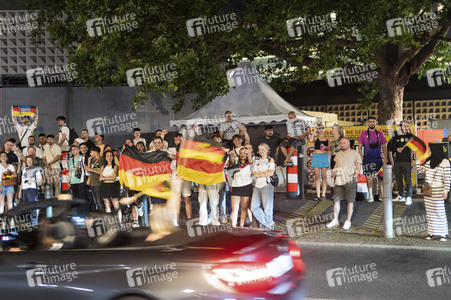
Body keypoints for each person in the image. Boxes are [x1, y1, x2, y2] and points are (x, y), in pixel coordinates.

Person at [415, 144, 450, 242]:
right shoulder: (428, 162)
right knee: (430, 212)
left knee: (439, 211)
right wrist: (417, 161)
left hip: (439, 190)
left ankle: (443, 233)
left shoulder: (445, 162)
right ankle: (431, 232)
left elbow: (447, 177)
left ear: (435, 150)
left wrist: (445, 191)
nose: (428, 152)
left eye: (429, 150)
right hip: (428, 190)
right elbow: (421, 171)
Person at [327, 138, 362, 230]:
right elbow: (336, 166)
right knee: (336, 201)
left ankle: (348, 221)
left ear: (348, 143)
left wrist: (354, 176)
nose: (342, 145)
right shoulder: (338, 154)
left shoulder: (355, 153)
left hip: (350, 180)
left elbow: (358, 166)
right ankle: (335, 220)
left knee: (350, 201)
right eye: (341, 143)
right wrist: (332, 178)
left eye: (344, 143)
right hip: (339, 180)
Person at [358, 116, 387, 202]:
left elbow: (384, 145)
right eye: (370, 122)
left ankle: (382, 195)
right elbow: (359, 147)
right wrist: (361, 156)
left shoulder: (380, 133)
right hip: (368, 159)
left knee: (380, 178)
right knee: (369, 178)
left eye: (373, 121)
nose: (371, 123)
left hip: (378, 159)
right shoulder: (363, 134)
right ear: (367, 123)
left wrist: (385, 157)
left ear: (376, 122)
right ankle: (370, 195)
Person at [389, 121, 415, 205]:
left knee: (408, 180)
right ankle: (401, 196)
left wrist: (414, 159)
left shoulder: (410, 137)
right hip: (397, 162)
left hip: (407, 162)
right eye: (404, 126)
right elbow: (391, 149)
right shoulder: (395, 137)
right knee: (398, 180)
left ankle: (409, 197)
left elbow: (415, 149)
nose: (406, 128)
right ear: (400, 127)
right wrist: (396, 150)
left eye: (407, 126)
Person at [251, 143, 275, 230]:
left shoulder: (270, 160)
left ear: (267, 150)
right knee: (254, 207)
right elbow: (254, 173)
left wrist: (260, 174)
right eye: (259, 149)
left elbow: (270, 173)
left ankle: (268, 227)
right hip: (257, 186)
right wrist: (264, 173)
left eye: (263, 149)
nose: (261, 151)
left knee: (267, 208)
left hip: (266, 185)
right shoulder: (256, 161)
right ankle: (269, 224)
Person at [229, 147, 253, 227]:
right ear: (238, 154)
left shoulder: (250, 162)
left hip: (246, 186)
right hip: (236, 186)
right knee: (234, 209)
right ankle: (233, 226)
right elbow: (232, 162)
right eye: (241, 153)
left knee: (244, 208)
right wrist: (232, 155)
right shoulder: (236, 162)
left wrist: (249, 153)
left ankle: (241, 226)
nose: (242, 154)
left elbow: (250, 161)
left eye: (244, 153)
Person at [309, 124, 330, 201]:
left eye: (322, 128)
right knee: (317, 177)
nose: (321, 129)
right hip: (316, 156)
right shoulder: (315, 137)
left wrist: (326, 147)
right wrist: (314, 131)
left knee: (324, 176)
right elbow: (310, 140)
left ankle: (323, 194)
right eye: (319, 128)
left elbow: (330, 147)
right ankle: (317, 194)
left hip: (324, 156)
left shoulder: (327, 137)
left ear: (324, 129)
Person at [100, 150, 121, 221]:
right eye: (107, 156)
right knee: (107, 205)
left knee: (116, 205)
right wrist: (106, 178)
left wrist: (104, 178)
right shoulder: (103, 167)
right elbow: (100, 178)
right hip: (105, 186)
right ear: (105, 157)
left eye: (111, 155)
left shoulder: (115, 166)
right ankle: (108, 222)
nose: (109, 157)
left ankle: (119, 222)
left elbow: (113, 177)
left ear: (113, 157)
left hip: (112, 186)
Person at [84, 146, 105, 211]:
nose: (90, 153)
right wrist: (89, 161)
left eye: (91, 152)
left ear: (95, 152)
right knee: (95, 201)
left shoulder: (101, 160)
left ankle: (102, 214)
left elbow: (100, 172)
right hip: (93, 183)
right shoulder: (94, 161)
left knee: (99, 201)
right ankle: (98, 213)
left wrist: (90, 169)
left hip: (98, 183)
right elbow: (89, 170)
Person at [328, 123, 346, 199]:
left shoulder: (343, 138)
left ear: (337, 129)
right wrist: (321, 147)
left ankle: (342, 193)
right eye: (331, 128)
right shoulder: (330, 139)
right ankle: (334, 193)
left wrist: (340, 147)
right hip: (333, 157)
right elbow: (328, 149)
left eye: (333, 128)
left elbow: (346, 147)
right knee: (333, 175)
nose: (331, 130)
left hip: (341, 158)